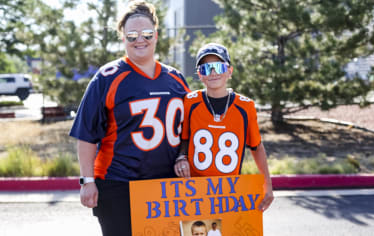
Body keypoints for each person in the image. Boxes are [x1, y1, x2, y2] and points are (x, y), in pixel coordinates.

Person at [69, 1, 190, 235]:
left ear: (156, 35)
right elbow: (86, 135)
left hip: (166, 186)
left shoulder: (175, 79)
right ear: (123, 38)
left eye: (145, 34)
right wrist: (87, 181)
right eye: (131, 35)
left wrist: (183, 155)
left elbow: (187, 129)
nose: (139, 40)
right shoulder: (107, 77)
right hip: (119, 184)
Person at [174, 43, 273, 212]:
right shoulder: (190, 102)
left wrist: (268, 185)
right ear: (200, 74)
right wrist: (181, 157)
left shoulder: (245, 107)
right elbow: (184, 138)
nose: (213, 73)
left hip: (228, 192)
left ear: (229, 71)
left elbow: (256, 147)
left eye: (218, 67)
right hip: (194, 191)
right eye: (206, 68)